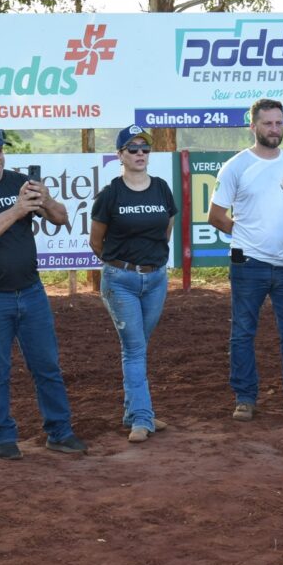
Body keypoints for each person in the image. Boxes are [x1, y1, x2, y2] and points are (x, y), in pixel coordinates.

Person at [0, 122, 86, 459]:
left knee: (47, 365)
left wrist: (46, 200)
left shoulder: (20, 182)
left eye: (0, 149)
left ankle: (60, 431)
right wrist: (18, 210)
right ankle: (4, 437)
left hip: (31, 290)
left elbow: (62, 218)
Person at [208, 99, 283, 424]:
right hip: (248, 263)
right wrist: (248, 233)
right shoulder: (235, 166)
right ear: (253, 126)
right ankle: (245, 399)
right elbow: (216, 216)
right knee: (243, 332)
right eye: (268, 124)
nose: (275, 129)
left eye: (279, 123)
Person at [90, 125, 178, 443]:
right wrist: (122, 266)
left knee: (137, 346)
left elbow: (165, 228)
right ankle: (142, 418)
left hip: (155, 278)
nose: (140, 154)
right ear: (120, 156)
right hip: (121, 280)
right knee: (135, 348)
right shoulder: (111, 194)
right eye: (133, 149)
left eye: (145, 149)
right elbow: (96, 241)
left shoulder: (161, 189)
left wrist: (149, 261)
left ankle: (133, 411)